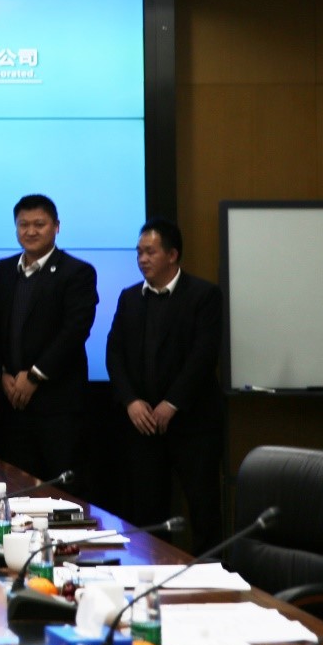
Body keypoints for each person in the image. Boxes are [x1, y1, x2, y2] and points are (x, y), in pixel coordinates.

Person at [106, 218, 224, 554]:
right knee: (147, 510)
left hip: (193, 422)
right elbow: (114, 353)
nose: (142, 259)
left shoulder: (203, 295)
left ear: (172, 255)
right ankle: (151, 568)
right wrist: (130, 401)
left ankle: (210, 573)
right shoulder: (130, 297)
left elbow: (203, 356)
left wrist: (172, 403)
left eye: (150, 252)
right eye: (139, 252)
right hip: (142, 423)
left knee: (203, 507)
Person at [0, 194, 97, 485]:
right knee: (15, 487)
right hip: (11, 402)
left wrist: (35, 375)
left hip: (58, 404)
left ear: (56, 226)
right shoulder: (2, 269)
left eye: (39, 224)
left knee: (62, 490)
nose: (31, 231)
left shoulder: (77, 272)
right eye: (23, 224)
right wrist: (2, 372)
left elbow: (75, 330)